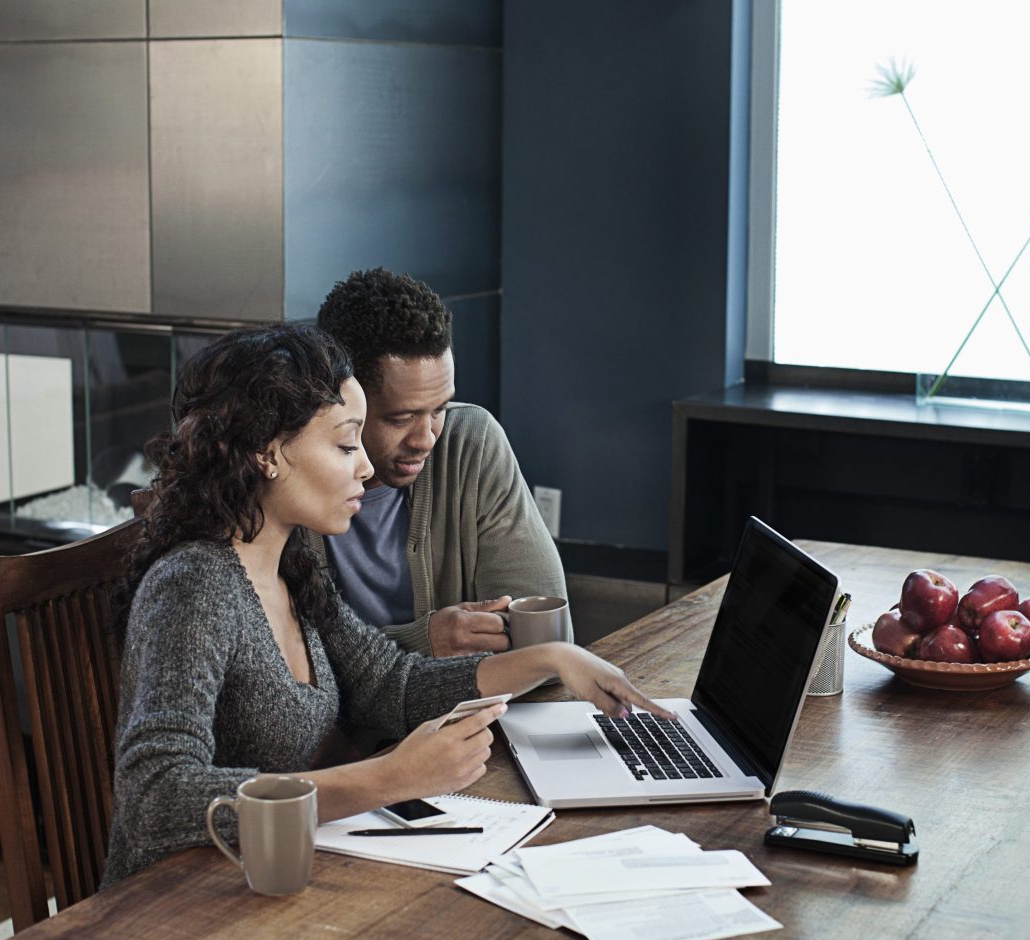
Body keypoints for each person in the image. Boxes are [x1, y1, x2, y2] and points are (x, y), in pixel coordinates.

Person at [101, 324, 665, 885]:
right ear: (268, 454)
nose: (366, 468)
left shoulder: (288, 562)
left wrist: (553, 659)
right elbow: (155, 796)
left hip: (275, 881)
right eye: (347, 444)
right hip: (179, 909)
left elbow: (390, 683)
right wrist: (388, 778)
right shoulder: (195, 587)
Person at [314, 267, 565, 658]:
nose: (426, 438)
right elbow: (281, 677)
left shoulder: (471, 442)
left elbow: (542, 634)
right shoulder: (285, 474)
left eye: (439, 408)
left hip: (469, 711)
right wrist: (422, 641)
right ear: (341, 397)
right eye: (400, 419)